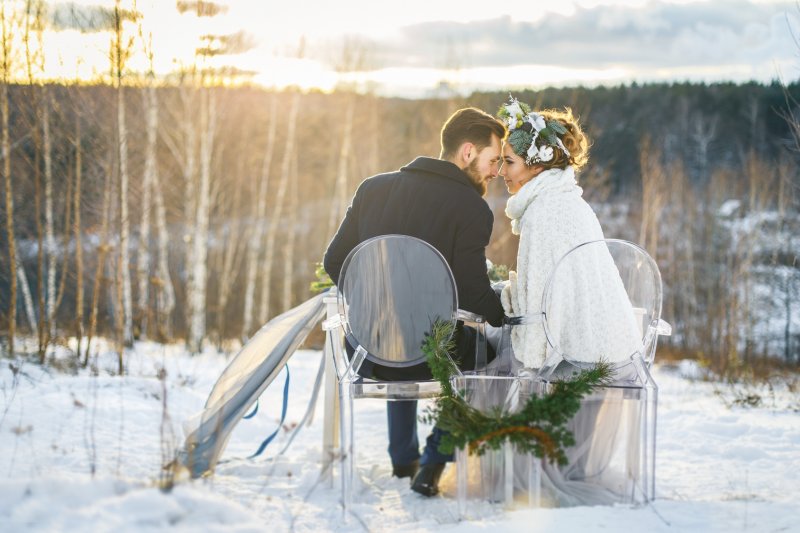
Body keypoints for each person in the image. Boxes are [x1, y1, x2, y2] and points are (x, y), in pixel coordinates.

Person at [323, 107, 506, 497]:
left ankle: (403, 457)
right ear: (468, 151)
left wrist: (371, 303)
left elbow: (333, 260)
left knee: (399, 330)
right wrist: (503, 314)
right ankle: (434, 460)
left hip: (369, 349)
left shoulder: (372, 188)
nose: (496, 172)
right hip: (433, 354)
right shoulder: (472, 208)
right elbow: (474, 291)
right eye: (493, 161)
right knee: (486, 356)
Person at [496, 96, 641, 370]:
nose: (502, 171)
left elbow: (537, 315)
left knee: (491, 356)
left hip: (573, 363)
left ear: (537, 165)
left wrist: (504, 295)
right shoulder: (573, 203)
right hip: (612, 351)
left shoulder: (541, 214)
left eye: (509, 162)